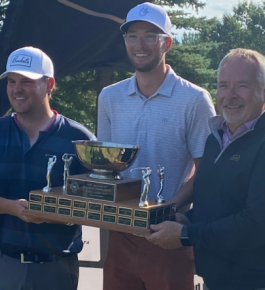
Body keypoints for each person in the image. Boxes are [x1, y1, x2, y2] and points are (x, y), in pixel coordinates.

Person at [148, 48, 265, 290]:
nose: (230, 95)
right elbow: (219, 204)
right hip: (222, 280)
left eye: (242, 86)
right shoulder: (216, 139)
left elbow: (255, 227)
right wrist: (186, 219)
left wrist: (185, 234)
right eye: (224, 85)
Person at [97, 3, 216, 290]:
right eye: (132, 35)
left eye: (151, 36)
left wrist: (166, 208)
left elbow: (207, 171)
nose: (140, 44)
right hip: (120, 233)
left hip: (167, 235)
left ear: (168, 43)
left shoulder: (195, 99)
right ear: (125, 41)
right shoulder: (109, 97)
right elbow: (105, 165)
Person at [0, 46, 95, 290]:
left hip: (58, 268)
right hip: (6, 266)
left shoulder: (79, 138)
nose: (16, 89)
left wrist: (54, 211)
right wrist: (11, 207)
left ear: (49, 84)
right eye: (11, 81)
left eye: (26, 81)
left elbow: (94, 199)